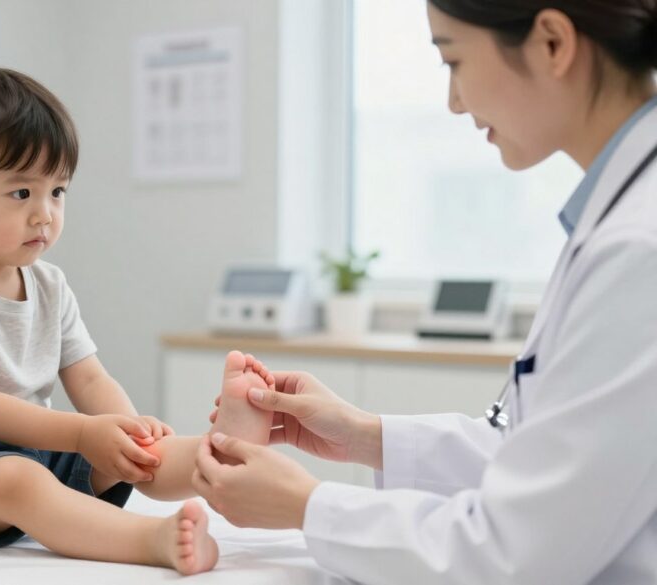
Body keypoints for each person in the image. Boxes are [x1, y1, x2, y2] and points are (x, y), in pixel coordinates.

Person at [193, 1, 657, 583]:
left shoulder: (640, 246)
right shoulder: (617, 222)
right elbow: (542, 459)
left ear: (553, 44)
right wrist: (364, 436)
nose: (454, 102)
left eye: (453, 60)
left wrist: (306, 506)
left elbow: (517, 553)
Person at [0, 67, 278, 575]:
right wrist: (83, 434)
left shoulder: (49, 285)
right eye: (21, 194)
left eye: (57, 192)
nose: (45, 215)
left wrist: (129, 428)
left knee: (133, 454)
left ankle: (224, 450)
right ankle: (153, 540)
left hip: (28, 447)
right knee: (19, 480)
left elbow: (89, 376)